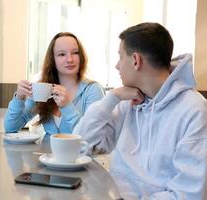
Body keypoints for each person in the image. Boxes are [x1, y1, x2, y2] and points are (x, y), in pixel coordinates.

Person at [73, 22, 207, 199]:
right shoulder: (126, 101)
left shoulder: (194, 110)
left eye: (120, 57)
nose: (117, 65)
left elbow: (188, 195)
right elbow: (79, 147)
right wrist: (111, 98)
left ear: (136, 60)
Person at [4, 32, 105, 135]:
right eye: (61, 54)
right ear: (52, 59)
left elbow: (92, 134)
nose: (70, 59)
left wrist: (67, 106)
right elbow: (10, 127)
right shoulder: (42, 89)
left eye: (75, 53)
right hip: (46, 151)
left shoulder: (93, 90)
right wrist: (19, 98)